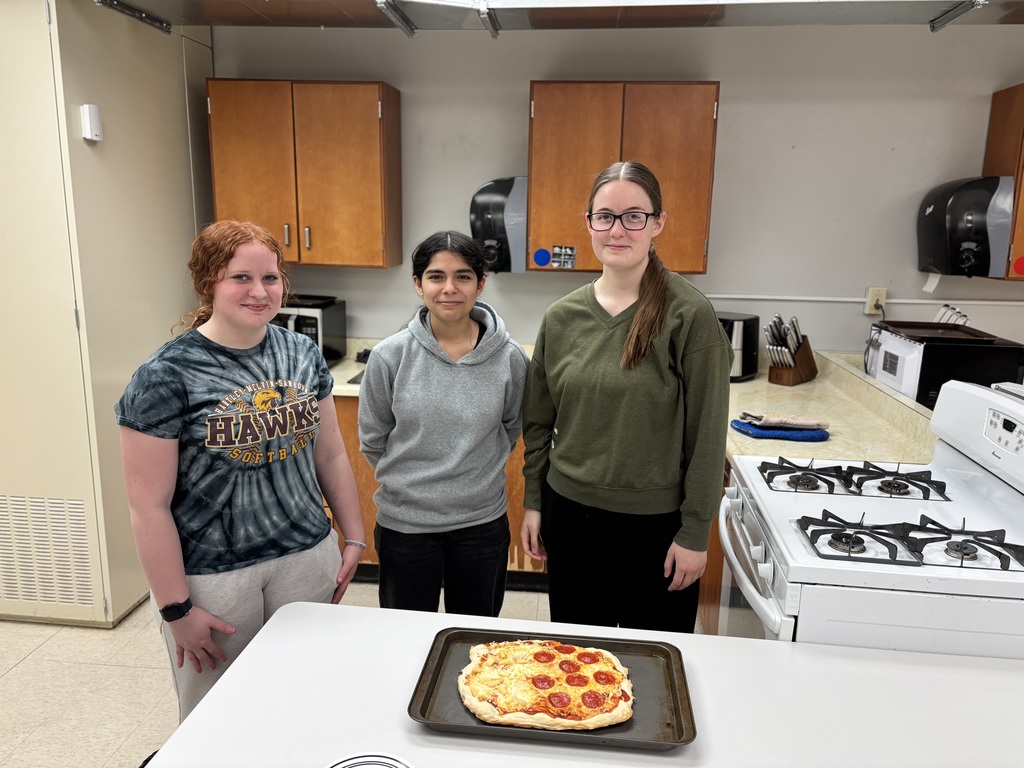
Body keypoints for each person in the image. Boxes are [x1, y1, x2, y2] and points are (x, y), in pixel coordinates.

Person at [115, 220, 364, 722]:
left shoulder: (300, 352)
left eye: (270, 278)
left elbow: (331, 454)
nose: (259, 291)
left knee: (301, 699)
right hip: (213, 574)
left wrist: (353, 536)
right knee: (218, 717)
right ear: (209, 282)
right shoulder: (165, 375)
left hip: (307, 555)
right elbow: (148, 505)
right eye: (240, 278)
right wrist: (176, 611)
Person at [520, 161, 733, 634]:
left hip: (656, 529)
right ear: (589, 223)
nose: (618, 230)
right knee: (576, 665)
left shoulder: (690, 316)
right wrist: (534, 501)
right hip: (570, 517)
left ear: (657, 223)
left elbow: (707, 438)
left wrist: (696, 533)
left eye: (634, 216)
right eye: (605, 216)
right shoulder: (561, 317)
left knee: (654, 666)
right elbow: (537, 423)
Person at [358, 230, 529, 617]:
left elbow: (511, 427)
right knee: (404, 636)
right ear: (418, 284)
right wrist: (416, 487)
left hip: (481, 524)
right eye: (436, 276)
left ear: (480, 284)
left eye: (463, 276)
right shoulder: (389, 357)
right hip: (406, 525)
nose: (449, 288)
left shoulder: (510, 358)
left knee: (477, 638)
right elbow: (373, 439)